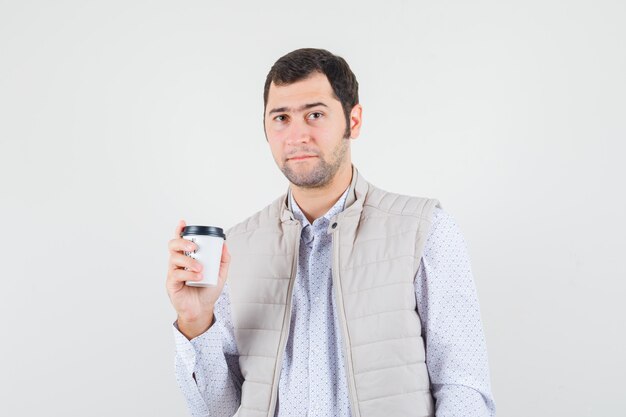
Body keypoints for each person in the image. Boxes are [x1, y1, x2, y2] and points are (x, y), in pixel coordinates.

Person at [166, 48, 496, 417]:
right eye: (281, 118)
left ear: (352, 121)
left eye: (315, 114)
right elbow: (219, 409)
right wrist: (196, 322)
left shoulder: (424, 230)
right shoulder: (236, 248)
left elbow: (463, 386)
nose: (296, 135)